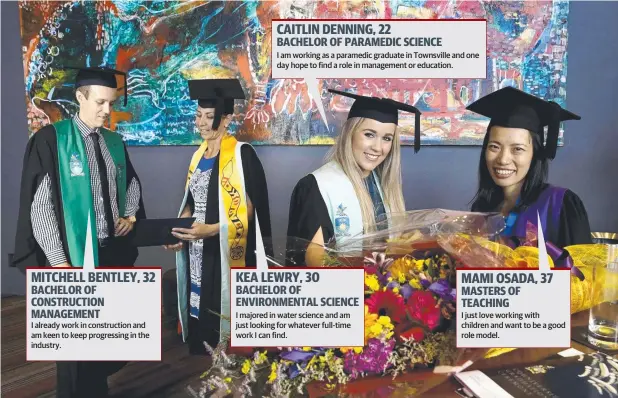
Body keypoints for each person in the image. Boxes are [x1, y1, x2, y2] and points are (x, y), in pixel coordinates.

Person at [12, 66, 146, 397]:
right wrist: (59, 263)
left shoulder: (113, 141)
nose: (107, 111)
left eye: (111, 103)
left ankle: (97, 389)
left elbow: (131, 182)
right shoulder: (51, 140)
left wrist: (129, 213)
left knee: (106, 335)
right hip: (70, 257)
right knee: (73, 348)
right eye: (100, 102)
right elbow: (40, 207)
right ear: (79, 97)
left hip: (110, 251)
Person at [164, 78, 272, 355]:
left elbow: (249, 210)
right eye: (198, 115)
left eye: (209, 117)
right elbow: (190, 202)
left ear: (226, 119)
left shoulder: (242, 154)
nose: (200, 122)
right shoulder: (197, 155)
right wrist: (177, 231)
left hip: (222, 246)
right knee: (198, 298)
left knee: (219, 302)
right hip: (197, 245)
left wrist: (212, 230)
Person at [286, 88, 422, 266]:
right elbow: (314, 260)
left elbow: (389, 247)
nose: (377, 147)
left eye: (387, 138)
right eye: (369, 135)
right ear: (350, 133)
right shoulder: (318, 186)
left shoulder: (383, 185)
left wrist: (408, 243)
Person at [467, 86, 592, 248]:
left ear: (535, 154)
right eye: (494, 147)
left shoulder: (561, 205)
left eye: (517, 149)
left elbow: (584, 271)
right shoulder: (481, 208)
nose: (503, 159)